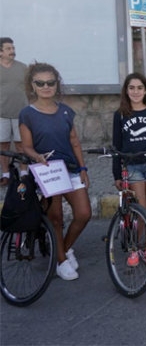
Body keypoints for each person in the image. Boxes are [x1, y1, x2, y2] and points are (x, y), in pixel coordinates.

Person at [19, 62, 91, 281]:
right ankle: (60, 261)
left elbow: (75, 142)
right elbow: (26, 146)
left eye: (50, 82)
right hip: (48, 171)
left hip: (69, 168)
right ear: (32, 85)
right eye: (40, 83)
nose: (46, 87)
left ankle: (64, 248)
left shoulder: (66, 111)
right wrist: (36, 157)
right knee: (56, 217)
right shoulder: (27, 114)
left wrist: (82, 168)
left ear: (56, 83)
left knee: (83, 214)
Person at [112, 73, 146, 232]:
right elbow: (117, 146)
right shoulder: (120, 114)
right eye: (132, 88)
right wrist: (117, 175)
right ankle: (137, 246)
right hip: (133, 166)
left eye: (140, 88)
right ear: (126, 91)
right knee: (141, 208)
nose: (136, 92)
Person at [0, 37, 28, 186]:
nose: (12, 51)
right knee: (3, 146)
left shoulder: (23, 68)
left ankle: (24, 174)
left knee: (21, 145)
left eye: (13, 48)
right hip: (1, 114)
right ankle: (5, 175)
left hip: (20, 113)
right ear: (0, 52)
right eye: (8, 49)